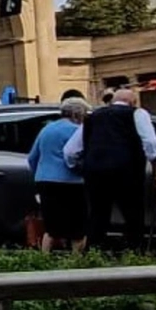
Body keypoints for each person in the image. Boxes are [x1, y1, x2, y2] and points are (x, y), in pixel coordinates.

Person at [64, 87, 156, 251]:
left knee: (98, 216)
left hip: (95, 173)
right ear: (133, 102)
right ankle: (134, 253)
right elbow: (151, 144)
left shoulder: (93, 116)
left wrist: (83, 168)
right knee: (133, 215)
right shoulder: (137, 114)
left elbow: (70, 151)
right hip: (128, 172)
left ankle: (94, 255)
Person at [28, 97, 90, 253]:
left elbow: (32, 157)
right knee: (78, 226)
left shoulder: (46, 129)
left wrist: (40, 174)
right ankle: (76, 263)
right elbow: (78, 155)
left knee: (52, 227)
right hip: (73, 183)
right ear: (78, 114)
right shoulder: (77, 130)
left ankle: (44, 259)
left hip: (45, 181)